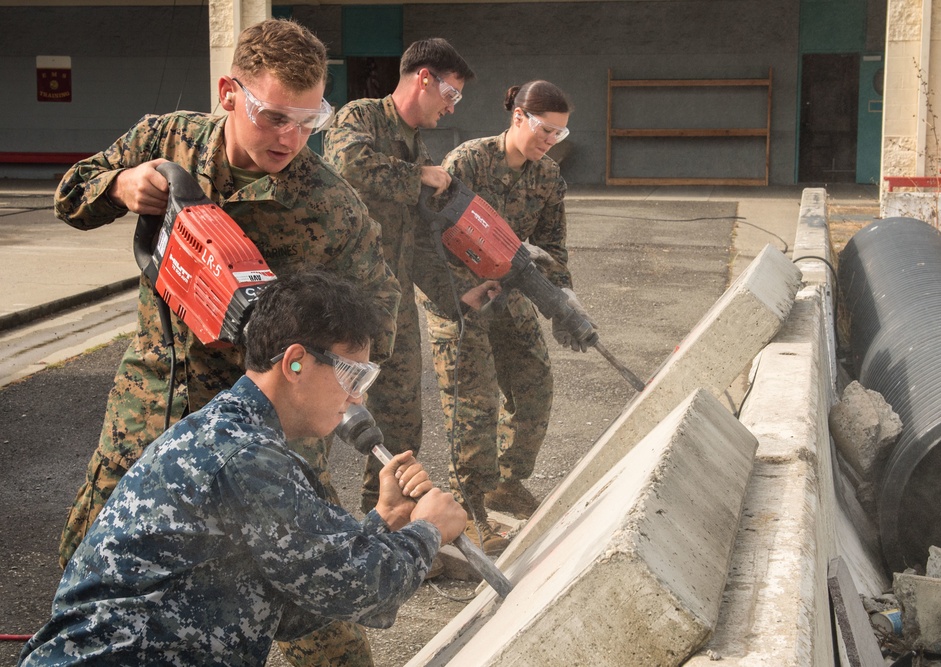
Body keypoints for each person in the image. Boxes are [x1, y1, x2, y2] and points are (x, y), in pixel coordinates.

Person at [53, 18, 401, 667]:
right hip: (149, 418)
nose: (291, 138)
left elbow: (379, 310)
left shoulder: (329, 206)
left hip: (268, 440)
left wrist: (302, 331)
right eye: (273, 116)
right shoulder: (166, 140)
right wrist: (120, 185)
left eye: (308, 119)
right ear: (230, 92)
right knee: (93, 586)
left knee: (322, 622)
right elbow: (72, 193)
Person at [18, 270, 468, 666]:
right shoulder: (245, 457)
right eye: (353, 377)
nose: (358, 398)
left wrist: (385, 522)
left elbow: (299, 602)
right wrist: (428, 531)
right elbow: (358, 588)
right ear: (295, 362)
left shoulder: (236, 434)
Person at [419, 81, 589, 546]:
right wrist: (462, 292)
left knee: (534, 383)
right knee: (474, 405)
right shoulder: (469, 162)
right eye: (543, 129)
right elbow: (429, 238)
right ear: (517, 117)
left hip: (509, 293)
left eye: (559, 133)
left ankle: (505, 483)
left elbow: (553, 246)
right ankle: (469, 510)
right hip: (459, 298)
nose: (550, 141)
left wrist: (564, 300)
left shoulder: (548, 176)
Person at [323, 39, 479, 526]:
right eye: (451, 93)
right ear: (424, 78)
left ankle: (385, 522)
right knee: (320, 421)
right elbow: (348, 165)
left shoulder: (417, 144)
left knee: (399, 424)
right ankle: (306, 535)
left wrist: (457, 297)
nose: (452, 105)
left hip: (393, 309)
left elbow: (418, 239)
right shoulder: (361, 117)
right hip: (339, 304)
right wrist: (420, 176)